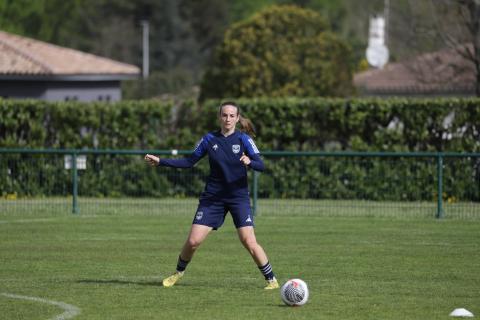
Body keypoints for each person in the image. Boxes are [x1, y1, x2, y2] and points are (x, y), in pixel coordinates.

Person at [144, 101, 278, 290]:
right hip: (213, 198)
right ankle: (178, 273)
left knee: (249, 241)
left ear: (237, 118)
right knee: (193, 241)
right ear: (219, 117)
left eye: (232, 116)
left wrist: (250, 162)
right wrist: (161, 162)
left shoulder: (244, 140)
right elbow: (189, 162)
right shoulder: (209, 139)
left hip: (238, 197)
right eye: (224, 115)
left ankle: (271, 280)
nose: (228, 119)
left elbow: (261, 165)